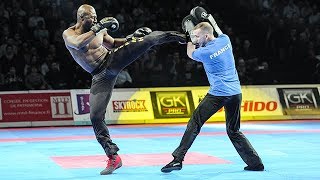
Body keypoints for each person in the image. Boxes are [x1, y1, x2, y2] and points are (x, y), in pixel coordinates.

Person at [62, 4, 186, 175]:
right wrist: (97, 28)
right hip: (99, 76)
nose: (96, 19)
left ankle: (181, 36)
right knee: (95, 116)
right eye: (92, 17)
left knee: (147, 40)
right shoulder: (69, 34)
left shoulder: (98, 30)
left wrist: (130, 38)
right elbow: (77, 44)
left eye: (97, 16)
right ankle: (114, 157)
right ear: (82, 17)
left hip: (112, 61)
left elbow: (113, 44)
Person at [161, 7, 264, 173]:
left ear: (207, 36)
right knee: (234, 130)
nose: (195, 39)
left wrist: (188, 32)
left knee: (194, 123)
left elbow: (189, 52)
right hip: (236, 93)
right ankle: (255, 163)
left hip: (219, 94)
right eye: (194, 36)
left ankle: (177, 160)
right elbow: (215, 27)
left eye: (197, 36)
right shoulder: (225, 40)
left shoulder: (205, 52)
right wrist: (207, 16)